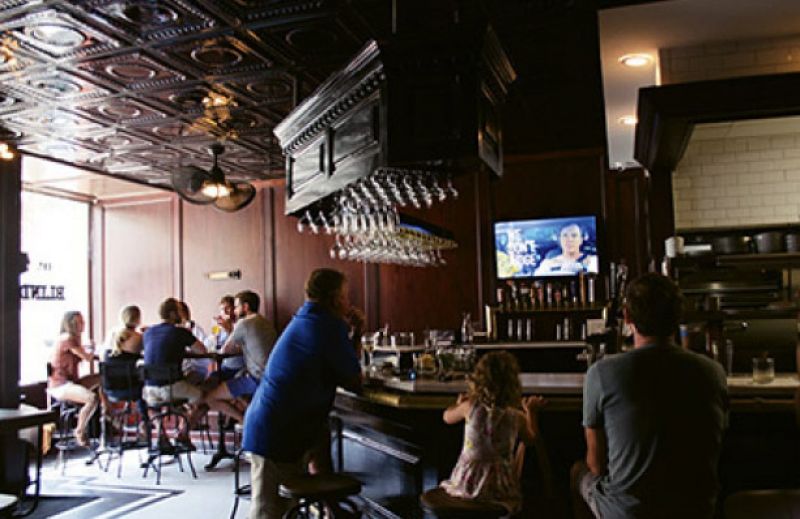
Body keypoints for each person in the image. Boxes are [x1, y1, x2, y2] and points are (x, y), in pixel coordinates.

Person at [573, 273, 729, 519]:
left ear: (627, 316)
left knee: (578, 473)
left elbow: (596, 464)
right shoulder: (713, 372)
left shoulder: (602, 373)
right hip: (696, 510)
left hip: (629, 513)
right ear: (678, 316)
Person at [243, 268, 363, 519]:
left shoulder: (308, 318)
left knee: (282, 506)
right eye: (345, 296)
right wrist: (355, 333)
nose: (348, 302)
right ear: (335, 299)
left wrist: (354, 334)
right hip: (275, 434)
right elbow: (353, 380)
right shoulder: (327, 325)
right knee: (268, 512)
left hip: (279, 426)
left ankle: (331, 510)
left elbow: (344, 368)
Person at [439, 351, 546, 515]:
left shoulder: (470, 407)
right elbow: (531, 439)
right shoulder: (516, 416)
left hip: (467, 484)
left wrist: (458, 404)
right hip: (500, 488)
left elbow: (446, 417)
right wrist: (531, 411)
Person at [142, 297, 208, 447]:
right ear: (172, 314)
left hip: (149, 389)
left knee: (152, 406)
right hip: (172, 386)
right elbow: (202, 351)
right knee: (205, 399)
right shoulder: (180, 332)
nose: (182, 315)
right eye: (179, 311)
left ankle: (161, 434)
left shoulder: (148, 333)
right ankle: (183, 434)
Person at [204, 290, 276, 423]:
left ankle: (245, 422)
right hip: (271, 376)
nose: (235, 311)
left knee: (210, 397)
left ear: (245, 307)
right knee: (234, 385)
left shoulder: (244, 323)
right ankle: (253, 419)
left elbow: (225, 350)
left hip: (256, 378)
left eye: (236, 307)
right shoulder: (265, 323)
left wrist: (227, 329)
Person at [48, 311, 99, 446]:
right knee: (92, 398)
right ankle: (80, 430)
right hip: (61, 385)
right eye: (78, 322)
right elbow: (87, 357)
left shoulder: (73, 340)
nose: (82, 325)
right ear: (69, 324)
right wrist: (92, 350)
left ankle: (109, 415)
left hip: (72, 382)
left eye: (82, 321)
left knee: (102, 378)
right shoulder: (67, 339)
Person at [103, 305, 148, 431]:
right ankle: (145, 422)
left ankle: (112, 415)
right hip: (130, 388)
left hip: (109, 388)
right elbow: (149, 354)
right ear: (138, 319)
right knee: (146, 385)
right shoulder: (138, 337)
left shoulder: (111, 334)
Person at [177, 301, 211, 385]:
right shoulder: (173, 330)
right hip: (181, 369)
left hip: (196, 367)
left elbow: (204, 351)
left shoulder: (195, 329)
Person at [211, 295, 242, 381]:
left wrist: (229, 330)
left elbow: (239, 345)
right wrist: (215, 334)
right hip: (224, 365)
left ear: (234, 309)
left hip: (237, 367)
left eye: (227, 308)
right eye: (222, 309)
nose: (224, 311)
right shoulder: (219, 326)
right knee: (211, 379)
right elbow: (215, 345)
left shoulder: (240, 324)